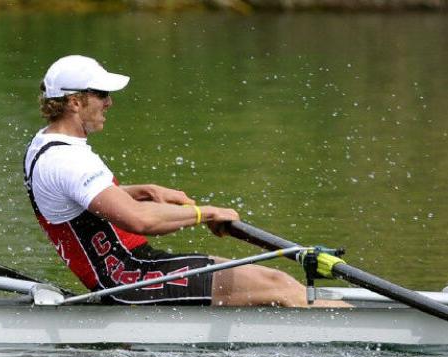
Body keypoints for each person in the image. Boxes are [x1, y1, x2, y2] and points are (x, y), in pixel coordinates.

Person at [24, 55, 343, 307]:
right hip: (129, 280)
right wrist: (206, 213)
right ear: (75, 102)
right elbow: (139, 221)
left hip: (131, 270)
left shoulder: (45, 145)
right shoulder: (69, 161)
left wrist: (143, 191)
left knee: (267, 286)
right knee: (279, 285)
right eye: (102, 94)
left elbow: (75, 201)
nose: (110, 102)